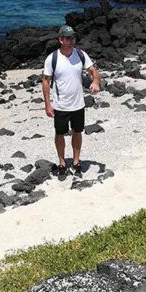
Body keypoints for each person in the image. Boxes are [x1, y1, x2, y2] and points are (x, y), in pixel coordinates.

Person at [42, 25, 101, 178]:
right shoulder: (52, 58)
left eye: (73, 38)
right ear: (60, 40)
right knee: (59, 134)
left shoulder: (81, 54)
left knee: (77, 132)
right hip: (61, 105)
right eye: (68, 38)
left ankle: (76, 162)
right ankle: (62, 163)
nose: (71, 41)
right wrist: (47, 104)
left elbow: (93, 70)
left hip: (78, 104)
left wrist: (95, 82)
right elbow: (46, 81)